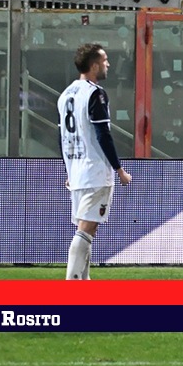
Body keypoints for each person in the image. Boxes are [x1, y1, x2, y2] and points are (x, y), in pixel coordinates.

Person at [58, 43, 131, 280]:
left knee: (87, 229)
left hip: (77, 172)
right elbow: (103, 134)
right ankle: (72, 281)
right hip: (95, 171)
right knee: (86, 229)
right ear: (94, 65)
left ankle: (84, 280)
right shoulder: (94, 93)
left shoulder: (66, 94)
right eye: (105, 60)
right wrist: (118, 169)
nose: (108, 64)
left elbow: (65, 137)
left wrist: (69, 170)